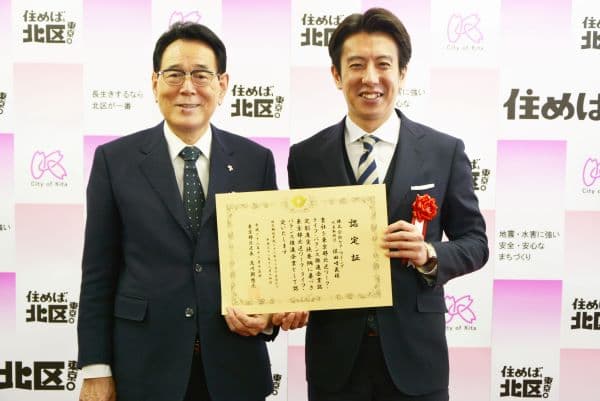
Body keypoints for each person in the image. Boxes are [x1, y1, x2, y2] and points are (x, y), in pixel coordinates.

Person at [77, 22, 305, 401]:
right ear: (155, 83)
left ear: (222, 84)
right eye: (174, 74)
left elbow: (270, 264)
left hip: (234, 365)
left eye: (201, 74)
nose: (187, 87)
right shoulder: (114, 161)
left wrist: (268, 316)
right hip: (144, 368)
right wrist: (96, 369)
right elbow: (98, 274)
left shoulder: (256, 161)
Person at [287, 8, 489, 401]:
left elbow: (476, 243)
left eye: (383, 64)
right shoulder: (306, 157)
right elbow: (299, 248)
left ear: (402, 73)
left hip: (416, 357)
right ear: (336, 75)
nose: (370, 78)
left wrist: (429, 254)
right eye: (356, 65)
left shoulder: (443, 151)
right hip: (335, 360)